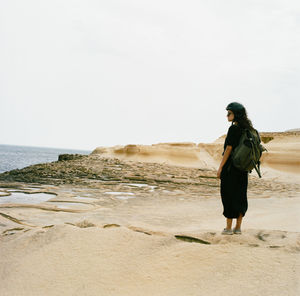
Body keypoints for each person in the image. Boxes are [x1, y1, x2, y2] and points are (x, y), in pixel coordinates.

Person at [217, 102, 256, 235]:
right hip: (243, 169)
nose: (227, 115)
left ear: (236, 114)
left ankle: (228, 228)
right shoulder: (249, 130)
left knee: (228, 195)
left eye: (229, 113)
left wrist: (220, 167)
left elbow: (228, 148)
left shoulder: (234, 129)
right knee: (240, 196)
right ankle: (238, 228)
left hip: (231, 168)